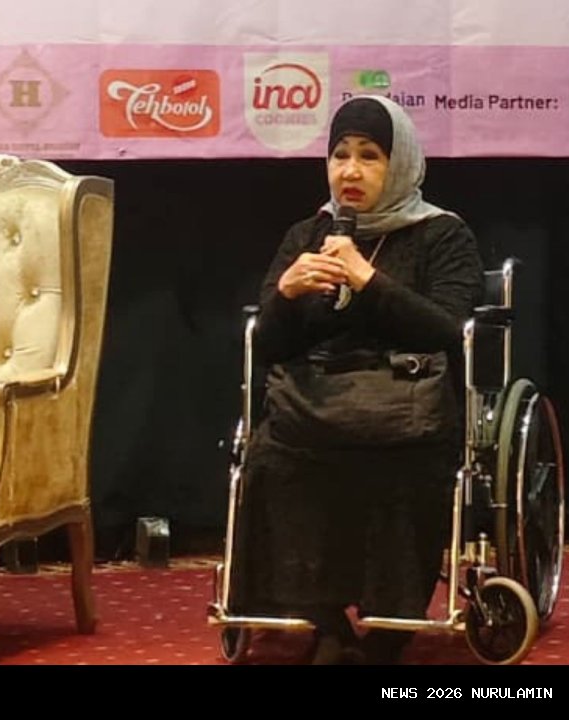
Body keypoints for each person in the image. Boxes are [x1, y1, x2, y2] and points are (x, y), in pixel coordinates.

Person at [230, 95, 485, 664]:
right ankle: (327, 626)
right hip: (312, 407)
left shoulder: (442, 235)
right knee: (273, 455)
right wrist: (286, 297)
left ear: (400, 163)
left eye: (369, 156)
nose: (350, 171)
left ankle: (391, 631)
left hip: (406, 407)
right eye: (339, 155)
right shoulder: (306, 234)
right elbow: (266, 346)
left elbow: (448, 330)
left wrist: (369, 281)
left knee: (399, 466)